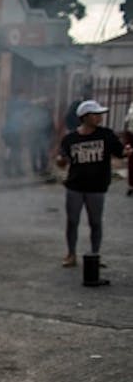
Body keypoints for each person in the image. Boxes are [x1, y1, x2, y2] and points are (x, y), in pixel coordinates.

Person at [55, 100, 127, 268]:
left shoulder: (106, 135)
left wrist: (127, 151)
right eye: (96, 114)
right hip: (75, 186)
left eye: (100, 114)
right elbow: (62, 160)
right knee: (72, 221)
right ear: (85, 117)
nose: (100, 117)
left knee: (95, 222)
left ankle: (95, 254)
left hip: (97, 186)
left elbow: (120, 152)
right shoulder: (70, 139)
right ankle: (71, 254)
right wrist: (60, 161)